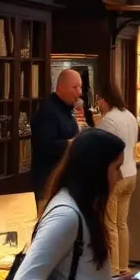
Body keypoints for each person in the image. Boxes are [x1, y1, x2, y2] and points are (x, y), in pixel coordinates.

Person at [9, 130, 140, 280]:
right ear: (96, 170)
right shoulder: (66, 216)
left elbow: (70, 272)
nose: (119, 178)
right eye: (116, 168)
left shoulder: (82, 209)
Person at [95, 83, 139, 274]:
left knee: (109, 224)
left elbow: (103, 152)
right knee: (122, 223)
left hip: (116, 176)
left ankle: (112, 269)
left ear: (104, 100)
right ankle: (124, 266)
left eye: (98, 101)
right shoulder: (129, 115)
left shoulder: (108, 121)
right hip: (131, 173)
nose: (98, 105)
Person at [31, 69, 83, 197]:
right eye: (74, 87)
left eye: (80, 87)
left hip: (63, 181)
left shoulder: (66, 109)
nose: (79, 92)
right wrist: (71, 144)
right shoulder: (48, 111)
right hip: (48, 183)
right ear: (61, 88)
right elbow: (45, 145)